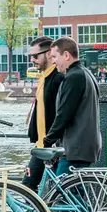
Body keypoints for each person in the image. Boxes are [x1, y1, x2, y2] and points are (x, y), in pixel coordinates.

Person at [42, 36, 102, 175]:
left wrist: (48, 140)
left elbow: (64, 114)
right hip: (83, 145)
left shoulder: (74, 77)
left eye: (55, 56)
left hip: (75, 148)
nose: (53, 61)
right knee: (72, 191)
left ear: (67, 55)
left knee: (65, 191)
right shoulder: (85, 73)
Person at [22, 36, 63, 191]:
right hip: (43, 145)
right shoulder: (44, 77)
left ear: (48, 54)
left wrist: (54, 140)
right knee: (29, 185)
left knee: (28, 186)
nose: (32, 60)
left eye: (35, 56)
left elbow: (61, 114)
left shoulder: (58, 78)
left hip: (51, 146)